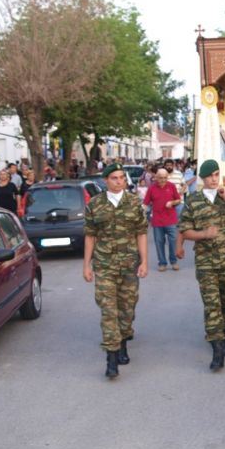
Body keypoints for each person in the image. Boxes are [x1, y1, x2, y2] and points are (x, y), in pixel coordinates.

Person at [177, 160, 225, 371]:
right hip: (205, 262)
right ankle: (217, 348)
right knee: (211, 304)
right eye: (209, 176)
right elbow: (184, 229)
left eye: (217, 174)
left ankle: (224, 331)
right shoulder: (193, 201)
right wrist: (203, 234)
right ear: (203, 178)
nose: (214, 179)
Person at [83, 162, 149, 378]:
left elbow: (141, 233)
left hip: (130, 264)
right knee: (108, 309)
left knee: (127, 308)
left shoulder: (134, 202)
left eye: (122, 177)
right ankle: (111, 358)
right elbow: (90, 235)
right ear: (106, 181)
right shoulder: (95, 204)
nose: (120, 181)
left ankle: (123, 339)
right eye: (115, 178)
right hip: (104, 265)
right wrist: (87, 265)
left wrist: (144, 261)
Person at [143, 168, 181, 272]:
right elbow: (145, 203)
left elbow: (178, 200)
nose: (163, 180)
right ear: (156, 177)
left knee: (173, 241)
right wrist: (141, 211)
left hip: (171, 220)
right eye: (161, 178)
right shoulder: (151, 188)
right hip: (157, 221)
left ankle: (173, 262)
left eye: (165, 178)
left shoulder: (171, 186)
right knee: (159, 242)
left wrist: (172, 203)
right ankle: (162, 263)